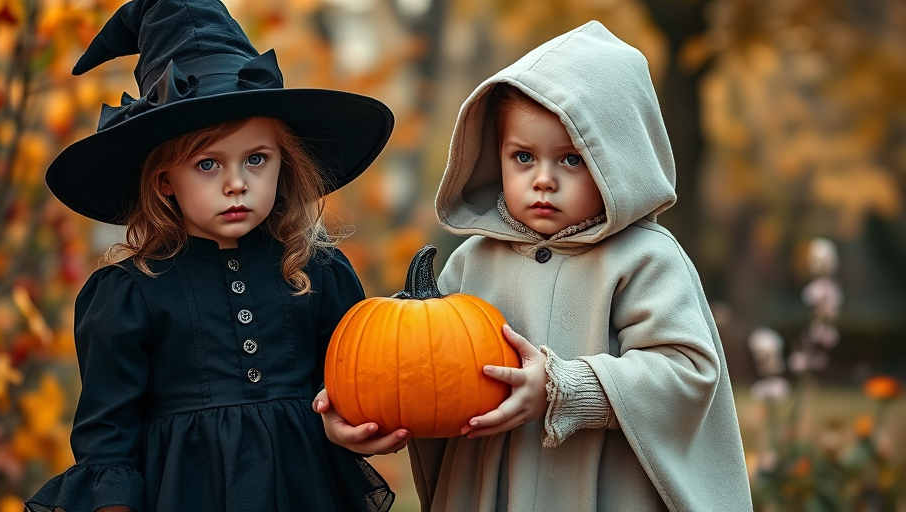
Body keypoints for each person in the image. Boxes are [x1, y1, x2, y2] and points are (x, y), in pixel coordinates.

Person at [319, 20, 752, 512]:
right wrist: (369, 409)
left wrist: (564, 387)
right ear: (496, 157)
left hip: (601, 490)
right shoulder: (471, 263)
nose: (543, 180)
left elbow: (687, 373)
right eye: (523, 157)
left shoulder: (645, 259)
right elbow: (426, 374)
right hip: (490, 490)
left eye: (571, 159)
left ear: (618, 161)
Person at [25, 1, 404, 511]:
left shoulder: (317, 271)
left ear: (282, 165)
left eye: (256, 159)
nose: (235, 184)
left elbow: (349, 381)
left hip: (306, 488)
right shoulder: (128, 293)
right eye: (207, 163)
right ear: (165, 182)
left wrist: (354, 424)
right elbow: (107, 434)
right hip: (182, 491)